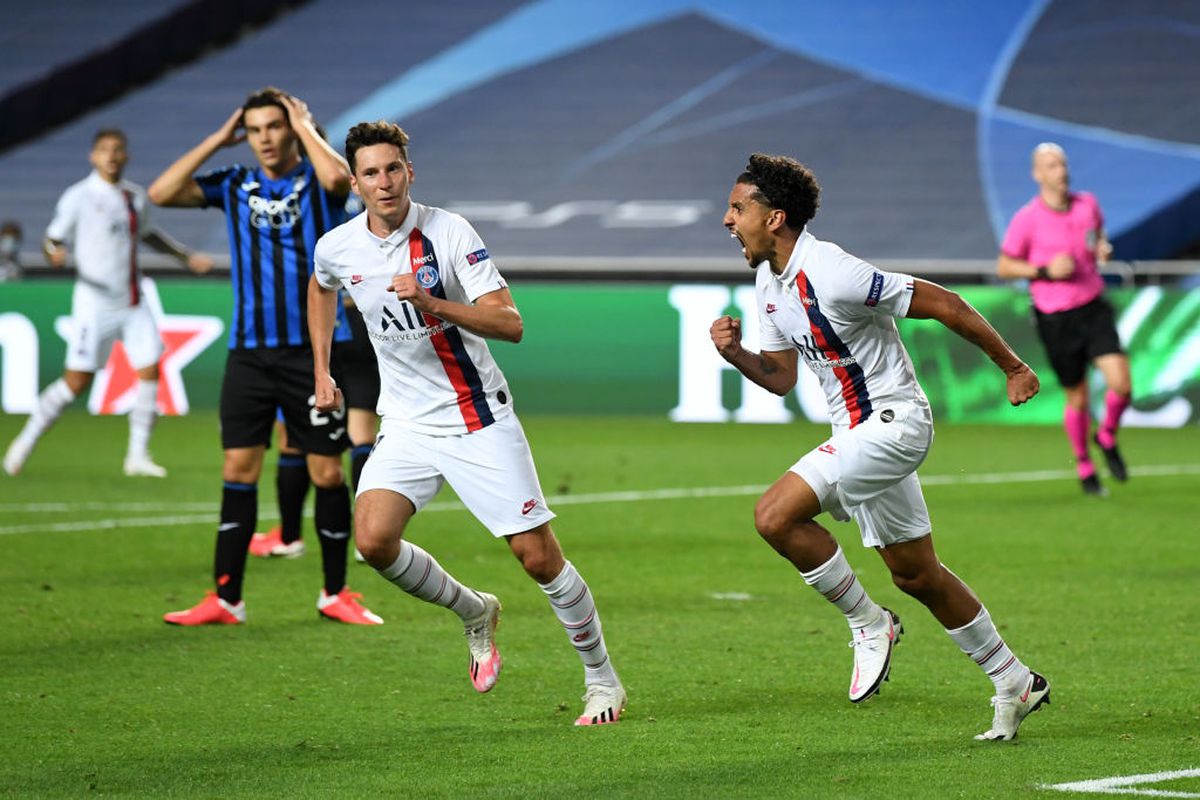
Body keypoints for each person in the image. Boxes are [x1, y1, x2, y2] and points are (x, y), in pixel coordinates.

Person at [711, 153, 1049, 741]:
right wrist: (736, 355)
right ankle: (1015, 680)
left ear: (775, 217)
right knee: (917, 575)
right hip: (855, 434)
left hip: (894, 423)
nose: (726, 219)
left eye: (739, 207)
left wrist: (1013, 367)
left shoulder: (833, 269)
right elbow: (782, 377)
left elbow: (943, 302)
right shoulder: (769, 281)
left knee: (774, 515)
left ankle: (868, 623)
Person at [308, 121, 625, 725]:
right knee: (373, 541)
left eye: (393, 168)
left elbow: (511, 324)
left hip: (476, 415)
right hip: (405, 422)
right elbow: (321, 288)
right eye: (371, 173)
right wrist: (321, 369)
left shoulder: (449, 233)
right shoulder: (338, 246)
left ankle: (602, 679)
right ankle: (474, 611)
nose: (384, 182)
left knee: (537, 557)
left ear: (410, 171)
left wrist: (431, 303)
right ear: (354, 182)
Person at [148, 87, 380, 625]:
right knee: (238, 468)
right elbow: (161, 192)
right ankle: (227, 598)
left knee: (326, 473)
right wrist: (215, 139)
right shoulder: (234, 183)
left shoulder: (315, 185)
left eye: (274, 127)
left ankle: (335, 592)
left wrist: (306, 128)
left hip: (311, 352)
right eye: (254, 131)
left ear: (291, 128)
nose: (265, 139)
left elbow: (340, 180)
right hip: (249, 353)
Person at [3, 129, 213, 478]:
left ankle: (137, 456)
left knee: (149, 369)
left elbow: (148, 234)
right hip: (94, 304)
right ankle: (24, 442)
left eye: (117, 150)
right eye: (104, 150)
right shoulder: (79, 196)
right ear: (93, 156)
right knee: (76, 381)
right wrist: (54, 252)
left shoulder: (134, 197)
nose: (111, 156)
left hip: (132, 300)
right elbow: (52, 239)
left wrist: (185, 257)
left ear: (126, 156)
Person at [997, 142, 1132, 496]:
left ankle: (1106, 435)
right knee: (1079, 397)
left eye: (1063, 164)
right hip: (1055, 316)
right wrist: (1044, 269)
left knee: (1122, 384)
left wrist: (1102, 247)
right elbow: (1005, 265)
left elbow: (1098, 236)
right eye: (1052, 165)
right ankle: (1085, 467)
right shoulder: (1028, 218)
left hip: (1093, 305)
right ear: (1038, 174)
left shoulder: (1088, 204)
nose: (1061, 171)